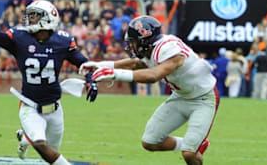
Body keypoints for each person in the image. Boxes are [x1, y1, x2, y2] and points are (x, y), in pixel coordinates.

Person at [0, 0, 98, 165]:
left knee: (51, 155)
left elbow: (83, 63)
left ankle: (24, 137)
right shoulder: (20, 38)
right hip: (30, 106)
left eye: (34, 15)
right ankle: (31, 138)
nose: (29, 19)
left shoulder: (62, 41)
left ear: (48, 18)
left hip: (55, 109)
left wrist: (91, 79)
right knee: (40, 145)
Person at [80, 16, 219, 165]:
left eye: (134, 42)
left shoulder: (169, 49)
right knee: (150, 142)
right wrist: (101, 66)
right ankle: (192, 144)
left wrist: (114, 74)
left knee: (189, 154)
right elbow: (135, 64)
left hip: (202, 99)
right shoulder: (153, 47)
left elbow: (154, 75)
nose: (132, 46)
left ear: (145, 40)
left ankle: (192, 147)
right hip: (180, 97)